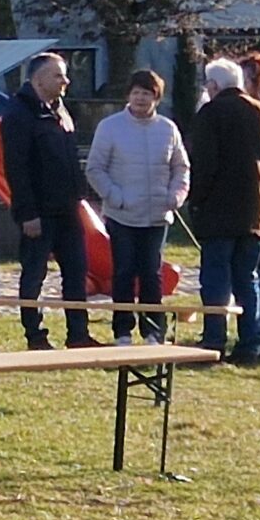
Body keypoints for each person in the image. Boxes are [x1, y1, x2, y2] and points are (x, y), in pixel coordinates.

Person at [84, 70, 189, 344]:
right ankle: (122, 331)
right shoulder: (110, 127)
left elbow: (181, 167)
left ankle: (153, 330)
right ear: (128, 95)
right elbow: (95, 169)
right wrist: (115, 197)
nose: (141, 99)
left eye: (147, 94)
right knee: (123, 272)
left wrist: (175, 195)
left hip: (157, 216)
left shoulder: (168, 128)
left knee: (152, 273)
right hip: (122, 215)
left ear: (157, 98)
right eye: (136, 93)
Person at [0, 51, 92, 349]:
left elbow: (69, 159)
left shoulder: (60, 109)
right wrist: (27, 213)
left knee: (76, 272)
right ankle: (35, 335)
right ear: (38, 79)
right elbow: (16, 168)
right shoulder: (19, 114)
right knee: (34, 274)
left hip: (67, 209)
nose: (66, 81)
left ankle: (78, 334)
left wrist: (81, 195)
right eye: (58, 75)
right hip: (38, 211)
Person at [188, 57, 260, 360]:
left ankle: (214, 339)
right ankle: (250, 341)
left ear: (213, 85)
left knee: (216, 279)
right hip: (255, 209)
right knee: (247, 278)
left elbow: (205, 163)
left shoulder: (211, 112)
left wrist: (196, 200)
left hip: (219, 210)